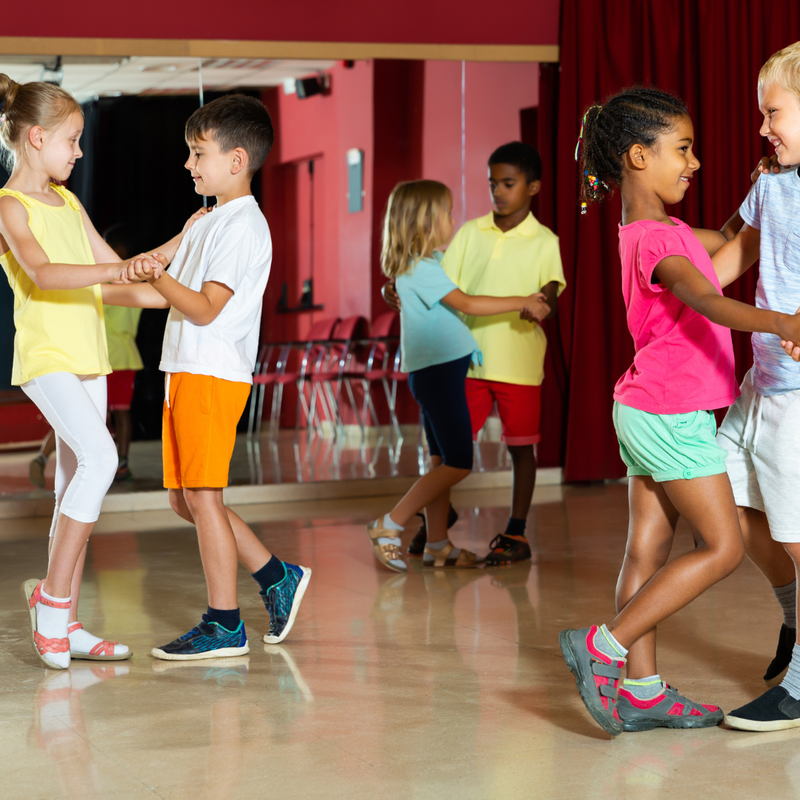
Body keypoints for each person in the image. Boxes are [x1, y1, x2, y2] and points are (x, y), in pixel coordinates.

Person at [559, 86, 800, 736]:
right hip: (673, 414)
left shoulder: (659, 231)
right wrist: (784, 320)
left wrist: (759, 198)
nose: (694, 163)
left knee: (649, 546)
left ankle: (641, 690)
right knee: (722, 548)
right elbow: (707, 298)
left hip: (645, 409)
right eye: (683, 150)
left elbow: (725, 242)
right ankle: (605, 648)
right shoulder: (652, 245)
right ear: (638, 156)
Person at [102, 94, 311, 660]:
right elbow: (155, 292)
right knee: (186, 500)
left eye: (199, 153)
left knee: (202, 496)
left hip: (211, 372)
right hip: (185, 369)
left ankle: (225, 624)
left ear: (237, 159)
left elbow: (202, 307)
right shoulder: (208, 219)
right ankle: (277, 576)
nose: (189, 165)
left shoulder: (242, 226)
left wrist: (158, 273)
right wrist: (87, 288)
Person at [0, 74, 133, 668]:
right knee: (103, 460)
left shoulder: (70, 202)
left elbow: (119, 271)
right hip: (47, 359)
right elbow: (46, 273)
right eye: (72, 140)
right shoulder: (9, 206)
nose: (79, 151)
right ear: (35, 138)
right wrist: (119, 275)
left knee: (69, 490)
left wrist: (187, 283)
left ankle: (69, 623)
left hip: (89, 358)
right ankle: (51, 605)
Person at [385, 143, 566, 566]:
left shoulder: (546, 241)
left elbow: (551, 294)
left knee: (521, 448)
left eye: (508, 183)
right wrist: (395, 289)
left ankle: (515, 531)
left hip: (520, 365)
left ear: (533, 187)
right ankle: (436, 524)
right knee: (449, 453)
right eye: (492, 184)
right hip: (468, 363)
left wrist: (541, 303)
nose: (498, 192)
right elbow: (447, 292)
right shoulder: (467, 233)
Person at [717, 42, 800, 731]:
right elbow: (732, 256)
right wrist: (674, 289)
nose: (764, 127)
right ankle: (795, 620)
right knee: (725, 498)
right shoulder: (771, 182)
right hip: (761, 379)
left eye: (774, 112)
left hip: (797, 393)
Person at [102, 223, 144, 482]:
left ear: (118, 249)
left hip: (107, 355)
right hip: (128, 355)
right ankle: (123, 464)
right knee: (122, 412)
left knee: (101, 414)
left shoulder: (109, 280)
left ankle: (105, 464)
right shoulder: (138, 280)